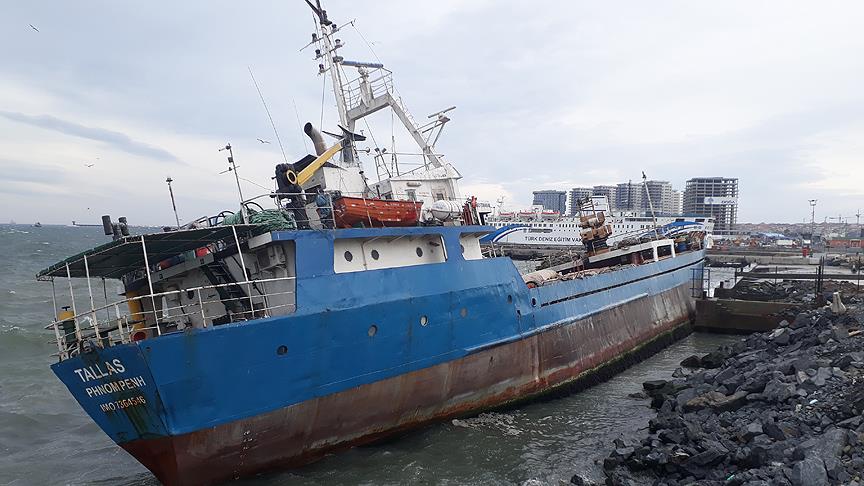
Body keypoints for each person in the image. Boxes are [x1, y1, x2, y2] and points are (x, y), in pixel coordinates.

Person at [275, 163, 311, 230]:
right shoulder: (293, 187)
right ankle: (303, 226)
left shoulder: (295, 188)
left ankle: (304, 226)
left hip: (298, 202)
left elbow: (298, 189)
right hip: (297, 201)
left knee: (300, 209)